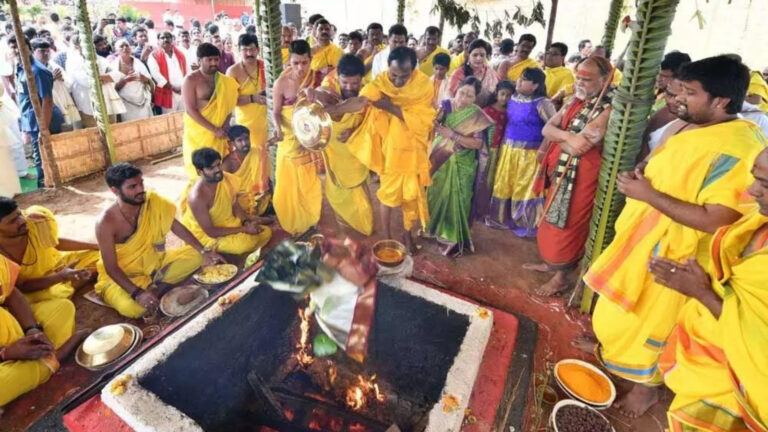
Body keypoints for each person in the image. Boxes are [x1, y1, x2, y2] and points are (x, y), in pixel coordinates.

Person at [582, 55, 766, 418]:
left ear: (721, 101)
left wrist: (649, 195)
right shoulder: (686, 125)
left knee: (655, 325)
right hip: (641, 239)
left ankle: (645, 387)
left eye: (690, 93)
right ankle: (613, 354)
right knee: (620, 318)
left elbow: (719, 218)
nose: (678, 98)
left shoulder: (739, 148)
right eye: (680, 89)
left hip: (678, 259)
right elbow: (664, 165)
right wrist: (645, 172)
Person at [653, 148, 768, 431]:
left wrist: (703, 293)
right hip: (712, 348)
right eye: (756, 179)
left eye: (765, 184)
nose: (752, 192)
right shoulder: (759, 221)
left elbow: (759, 345)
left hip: (740, 384)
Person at [523, 56, 613, 295]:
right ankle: (550, 263)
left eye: (587, 79)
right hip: (560, 169)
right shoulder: (576, 100)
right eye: (578, 77)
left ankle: (561, 276)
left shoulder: (608, 108)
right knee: (551, 216)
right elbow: (547, 129)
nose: (580, 83)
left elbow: (581, 146)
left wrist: (563, 137)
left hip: (582, 176)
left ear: (605, 80)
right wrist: (568, 137)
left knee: (568, 224)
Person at [94, 163, 222, 319]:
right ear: (115, 191)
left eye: (141, 183)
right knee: (134, 308)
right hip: (126, 275)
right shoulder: (105, 223)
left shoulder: (152, 202)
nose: (140, 189)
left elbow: (176, 227)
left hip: (154, 264)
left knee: (196, 257)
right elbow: (111, 268)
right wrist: (137, 293)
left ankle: (155, 286)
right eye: (132, 187)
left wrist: (204, 251)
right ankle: (155, 287)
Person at [346, 47, 436, 252]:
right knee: (387, 195)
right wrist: (337, 113)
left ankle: (407, 235)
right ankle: (386, 239)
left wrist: (389, 107)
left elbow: (424, 120)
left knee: (411, 196)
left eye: (403, 77)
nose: (397, 81)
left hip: (414, 149)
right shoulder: (381, 82)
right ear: (388, 68)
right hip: (391, 151)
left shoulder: (423, 86)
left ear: (413, 70)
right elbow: (363, 100)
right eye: (394, 75)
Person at [0, 253, 89, 407]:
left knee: (62, 308)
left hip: (12, 329)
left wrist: (32, 330)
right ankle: (55, 357)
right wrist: (6, 353)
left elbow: (11, 293)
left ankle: (40, 355)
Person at [426, 76, 494, 256]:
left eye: (469, 96)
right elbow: (432, 126)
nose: (463, 98)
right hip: (440, 156)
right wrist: (436, 121)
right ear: (455, 89)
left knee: (459, 198)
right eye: (461, 93)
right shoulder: (446, 106)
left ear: (475, 98)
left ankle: (453, 237)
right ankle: (434, 228)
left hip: (463, 162)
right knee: (435, 192)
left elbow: (478, 144)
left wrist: (452, 135)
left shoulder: (478, 116)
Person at [311, 54, 375, 235]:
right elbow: (322, 94)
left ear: (361, 79)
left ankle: (364, 227)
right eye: (345, 83)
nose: (349, 87)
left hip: (356, 151)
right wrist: (313, 93)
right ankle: (345, 226)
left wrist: (353, 132)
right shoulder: (330, 85)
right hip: (333, 149)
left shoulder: (368, 89)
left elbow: (360, 106)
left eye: (354, 84)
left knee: (358, 191)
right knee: (335, 191)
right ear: (338, 77)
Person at [488, 69, 555, 237]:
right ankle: (500, 218)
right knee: (504, 183)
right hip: (508, 150)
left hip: (531, 154)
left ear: (535, 85)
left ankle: (525, 223)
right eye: (519, 78)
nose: (518, 81)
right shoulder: (512, 98)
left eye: (524, 80)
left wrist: (543, 149)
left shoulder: (543, 103)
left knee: (525, 187)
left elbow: (554, 128)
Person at [271, 40, 322, 236]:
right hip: (289, 139)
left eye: (304, 62)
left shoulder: (317, 79)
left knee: (309, 182)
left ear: (311, 60)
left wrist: (314, 94)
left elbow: (325, 107)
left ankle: (310, 219)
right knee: (289, 184)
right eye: (295, 63)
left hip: (310, 138)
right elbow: (276, 112)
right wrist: (278, 130)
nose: (301, 68)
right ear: (289, 62)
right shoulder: (281, 83)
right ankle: (294, 222)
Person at [181, 148, 271, 255]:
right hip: (207, 235)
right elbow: (211, 232)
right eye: (211, 168)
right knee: (245, 244)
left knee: (266, 232)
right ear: (200, 172)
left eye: (218, 165)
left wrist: (246, 222)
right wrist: (245, 229)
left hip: (229, 224)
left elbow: (235, 205)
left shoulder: (225, 179)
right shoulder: (197, 197)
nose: (218, 170)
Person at [181, 43, 239, 178]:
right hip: (199, 134)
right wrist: (214, 129)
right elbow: (190, 110)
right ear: (199, 60)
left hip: (219, 133)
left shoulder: (225, 81)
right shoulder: (190, 80)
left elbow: (229, 105)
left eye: (216, 59)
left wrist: (225, 124)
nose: (214, 63)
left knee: (220, 168)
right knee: (201, 171)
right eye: (209, 60)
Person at [14, 36, 65, 188]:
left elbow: (47, 101)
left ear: (29, 48)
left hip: (44, 118)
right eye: (13, 47)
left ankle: (46, 187)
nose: (16, 51)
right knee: (40, 156)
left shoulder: (38, 70)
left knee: (43, 157)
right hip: (32, 119)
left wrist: (43, 127)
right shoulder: (21, 67)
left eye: (21, 47)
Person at [227, 33, 269, 200]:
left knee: (266, 154)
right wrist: (252, 98)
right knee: (251, 156)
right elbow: (231, 100)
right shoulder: (233, 71)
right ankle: (252, 192)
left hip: (266, 120)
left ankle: (266, 188)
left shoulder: (265, 66)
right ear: (239, 51)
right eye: (245, 50)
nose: (249, 53)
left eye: (252, 49)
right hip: (247, 124)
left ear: (258, 50)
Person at [66, 34, 125, 127]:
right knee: (96, 137)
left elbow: (118, 74)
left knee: (114, 133)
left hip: (108, 104)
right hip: (89, 107)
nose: (91, 46)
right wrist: (107, 78)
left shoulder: (99, 59)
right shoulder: (73, 62)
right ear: (78, 47)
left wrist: (101, 78)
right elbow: (88, 82)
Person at [222, 126, 272, 217]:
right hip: (240, 201)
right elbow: (226, 191)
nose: (245, 143)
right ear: (232, 143)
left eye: (246, 138)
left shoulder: (257, 152)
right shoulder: (227, 163)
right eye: (240, 140)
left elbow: (266, 179)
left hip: (260, 196)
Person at [110, 38, 154, 121]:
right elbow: (113, 89)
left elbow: (150, 82)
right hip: (126, 104)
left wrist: (143, 78)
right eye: (121, 46)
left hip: (143, 102)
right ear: (116, 50)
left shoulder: (138, 63)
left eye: (127, 45)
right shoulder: (113, 66)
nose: (125, 48)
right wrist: (125, 80)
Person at [447, 39, 498, 107]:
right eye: (475, 55)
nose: (478, 58)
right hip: (462, 112)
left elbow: (496, 94)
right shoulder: (459, 73)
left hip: (485, 112)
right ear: (469, 55)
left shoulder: (491, 73)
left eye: (482, 55)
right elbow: (450, 96)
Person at [148, 31, 187, 113]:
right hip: (167, 92)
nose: (165, 39)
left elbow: (186, 71)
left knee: (184, 118)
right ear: (158, 41)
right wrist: (173, 88)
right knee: (170, 120)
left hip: (182, 91)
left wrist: (183, 86)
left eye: (168, 37)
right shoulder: (153, 56)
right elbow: (156, 75)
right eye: (162, 38)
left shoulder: (180, 54)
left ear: (172, 39)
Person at [310, 19, 344, 84]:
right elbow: (305, 72)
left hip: (334, 86)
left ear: (331, 32)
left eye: (327, 29)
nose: (324, 31)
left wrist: (334, 71)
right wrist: (320, 71)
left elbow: (344, 70)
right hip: (314, 86)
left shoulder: (339, 51)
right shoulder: (310, 52)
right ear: (315, 32)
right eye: (321, 29)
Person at [543, 42, 574, 108]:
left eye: (554, 54)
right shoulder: (544, 71)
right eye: (548, 53)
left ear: (563, 57)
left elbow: (563, 101)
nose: (549, 56)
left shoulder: (566, 74)